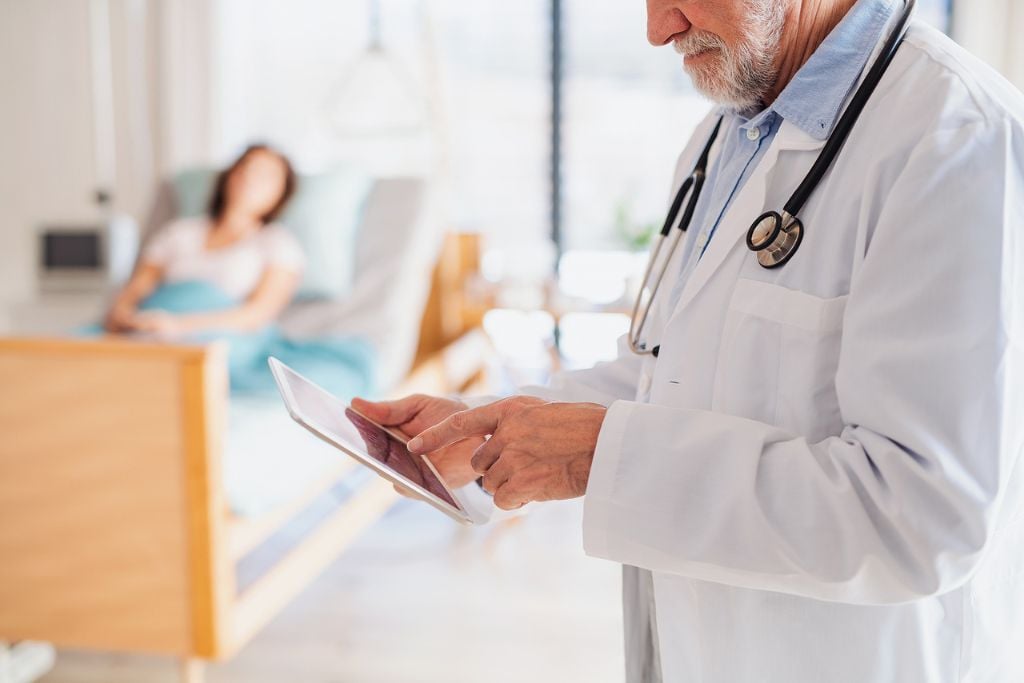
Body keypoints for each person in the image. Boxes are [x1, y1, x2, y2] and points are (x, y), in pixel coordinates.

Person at [356, 0, 1024, 680]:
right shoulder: (727, 133)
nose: (657, 29)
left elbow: (921, 516)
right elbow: (664, 369)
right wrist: (487, 427)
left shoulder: (957, 136)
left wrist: (599, 454)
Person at [103, 144, 304, 338]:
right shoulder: (179, 232)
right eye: (245, 168)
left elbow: (256, 315)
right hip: (151, 327)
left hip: (225, 336)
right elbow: (137, 288)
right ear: (228, 176)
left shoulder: (279, 244)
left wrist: (180, 326)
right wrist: (123, 314)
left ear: (282, 193)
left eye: (266, 175)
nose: (250, 178)